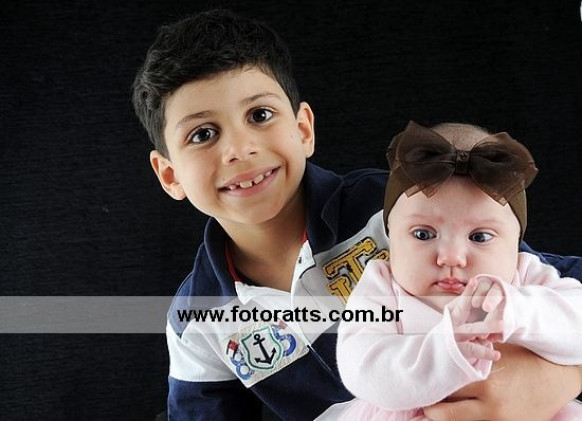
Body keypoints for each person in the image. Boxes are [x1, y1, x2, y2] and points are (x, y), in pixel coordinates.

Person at [131, 9, 582, 420]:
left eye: (260, 114)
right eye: (203, 134)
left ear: (303, 129)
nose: (240, 149)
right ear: (169, 174)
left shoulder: (399, 208)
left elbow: (541, 284)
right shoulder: (199, 317)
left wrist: (559, 380)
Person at [336, 121, 582, 420]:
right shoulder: (382, 286)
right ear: (391, 236)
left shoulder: (525, 277)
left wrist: (521, 312)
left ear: (515, 243)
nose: (451, 258)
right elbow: (360, 367)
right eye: (423, 234)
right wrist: (445, 353)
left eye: (480, 237)